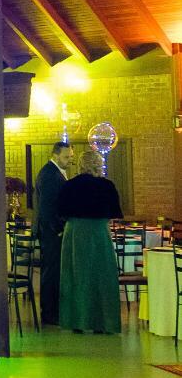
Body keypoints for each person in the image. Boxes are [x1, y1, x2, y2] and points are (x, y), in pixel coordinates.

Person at [57, 150, 122, 334]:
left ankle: (77, 321)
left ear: (80, 165)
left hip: (75, 232)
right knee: (102, 275)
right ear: (98, 165)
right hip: (98, 232)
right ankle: (103, 322)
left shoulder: (69, 185)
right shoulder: (107, 186)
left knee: (76, 275)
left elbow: (60, 210)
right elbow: (114, 211)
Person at [34, 141, 72, 326]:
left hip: (51, 231)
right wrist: (58, 229)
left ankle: (53, 311)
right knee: (51, 272)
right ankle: (49, 313)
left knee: (54, 271)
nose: (69, 160)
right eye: (66, 157)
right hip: (51, 233)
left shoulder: (53, 172)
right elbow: (47, 207)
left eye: (71, 157)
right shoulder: (50, 174)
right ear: (55, 155)